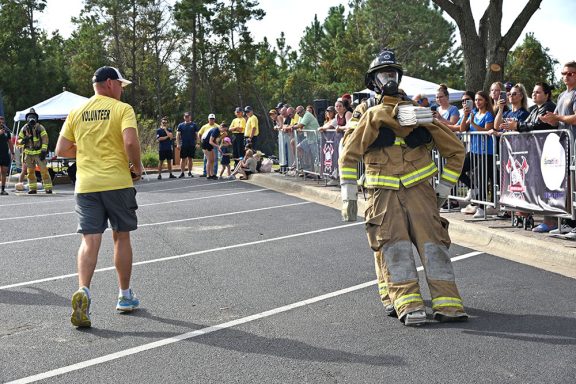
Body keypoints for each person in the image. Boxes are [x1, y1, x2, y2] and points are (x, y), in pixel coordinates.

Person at [339, 49, 467, 326]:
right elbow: (347, 150)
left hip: (419, 188)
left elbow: (455, 150)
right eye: (384, 74)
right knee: (392, 246)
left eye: (393, 73)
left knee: (434, 245)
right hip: (382, 191)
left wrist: (442, 190)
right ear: (373, 80)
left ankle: (448, 303)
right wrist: (348, 194)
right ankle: (404, 302)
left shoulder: (417, 111)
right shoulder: (364, 113)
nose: (389, 79)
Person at [55, 66, 142, 328]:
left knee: (90, 239)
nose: (122, 89)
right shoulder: (121, 109)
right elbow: (129, 142)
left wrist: (85, 152)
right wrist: (136, 167)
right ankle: (124, 296)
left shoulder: (76, 111)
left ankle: (84, 290)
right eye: (120, 84)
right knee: (121, 236)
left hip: (86, 185)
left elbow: (61, 149)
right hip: (116, 182)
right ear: (109, 83)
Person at [539, 61, 576, 237]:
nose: (566, 77)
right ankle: (569, 222)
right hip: (564, 146)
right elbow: (559, 120)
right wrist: (550, 120)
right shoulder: (562, 95)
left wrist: (558, 116)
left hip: (574, 143)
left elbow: (574, 118)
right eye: (563, 73)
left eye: (570, 73)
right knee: (567, 185)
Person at [459, 90, 495, 218]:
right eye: (475, 100)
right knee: (459, 169)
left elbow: (487, 130)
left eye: (480, 100)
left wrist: (473, 123)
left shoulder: (489, 114)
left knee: (482, 179)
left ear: (485, 100)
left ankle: (481, 207)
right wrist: (465, 116)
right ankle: (473, 189)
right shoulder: (473, 113)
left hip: (486, 152)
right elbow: (462, 129)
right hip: (474, 150)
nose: (477, 102)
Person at [17, 108, 53, 194]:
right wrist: (23, 140)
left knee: (44, 170)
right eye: (30, 117)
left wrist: (44, 151)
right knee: (30, 172)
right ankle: (32, 189)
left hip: (39, 153)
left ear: (36, 118)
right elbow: (18, 141)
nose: (31, 118)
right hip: (28, 154)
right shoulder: (24, 128)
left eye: (33, 117)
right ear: (27, 118)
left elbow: (45, 139)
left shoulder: (40, 127)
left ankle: (48, 188)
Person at [176, 112, 199, 178]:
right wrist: (178, 144)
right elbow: (177, 135)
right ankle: (182, 172)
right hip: (183, 144)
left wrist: (197, 143)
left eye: (188, 116)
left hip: (191, 144)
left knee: (190, 159)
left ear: (190, 117)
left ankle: (189, 172)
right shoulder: (181, 125)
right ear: (184, 117)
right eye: (186, 116)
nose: (187, 118)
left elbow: (197, 135)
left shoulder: (194, 125)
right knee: (183, 159)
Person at [0, 116, 14, 195]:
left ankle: (3, 189)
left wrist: (12, 153)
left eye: (2, 122)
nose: (1, 123)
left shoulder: (6, 131)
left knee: (4, 172)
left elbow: (10, 142)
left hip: (5, 154)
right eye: (0, 121)